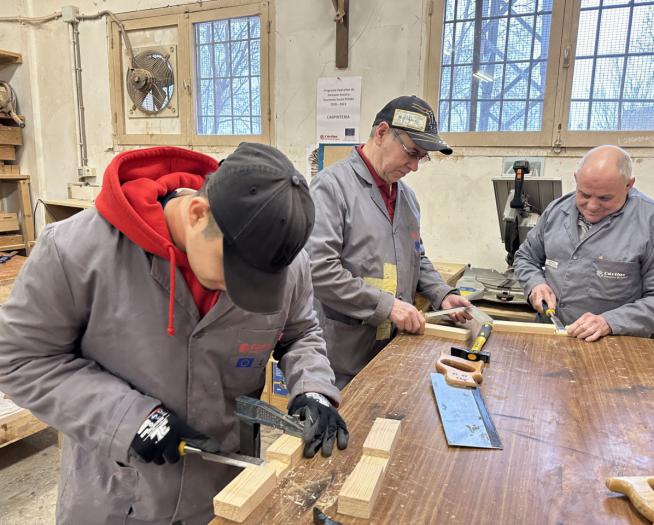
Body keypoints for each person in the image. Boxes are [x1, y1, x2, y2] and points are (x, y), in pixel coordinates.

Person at [0, 143, 349, 524]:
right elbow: (20, 359)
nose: (240, 293)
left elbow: (300, 333)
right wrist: (126, 418)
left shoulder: (279, 262)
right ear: (199, 214)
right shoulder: (76, 252)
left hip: (226, 495)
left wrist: (312, 387)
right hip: (118, 498)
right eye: (235, 274)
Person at [306, 95, 472, 389]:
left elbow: (416, 256)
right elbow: (318, 270)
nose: (414, 166)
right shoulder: (331, 188)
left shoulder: (407, 199)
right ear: (381, 133)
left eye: (421, 158)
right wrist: (387, 306)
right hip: (340, 362)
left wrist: (442, 293)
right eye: (411, 153)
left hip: (392, 351)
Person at [514, 144, 654, 342]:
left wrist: (610, 321)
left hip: (613, 347)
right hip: (550, 337)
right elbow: (526, 257)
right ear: (576, 179)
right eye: (584, 194)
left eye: (605, 198)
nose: (592, 206)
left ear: (629, 185)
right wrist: (535, 283)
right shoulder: (556, 211)